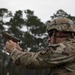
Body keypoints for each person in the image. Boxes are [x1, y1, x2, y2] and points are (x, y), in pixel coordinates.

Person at [5, 17, 75, 75]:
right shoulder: (70, 47)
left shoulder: (66, 49)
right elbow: (38, 57)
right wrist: (20, 51)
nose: (49, 39)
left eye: (50, 34)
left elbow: (34, 61)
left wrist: (13, 51)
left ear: (60, 33)